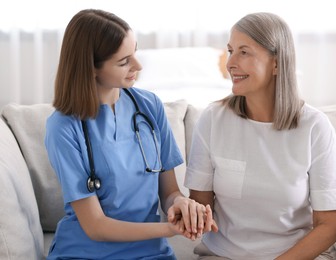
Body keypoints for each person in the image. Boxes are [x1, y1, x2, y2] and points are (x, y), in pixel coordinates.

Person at [45, 9, 216, 259]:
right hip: (85, 253)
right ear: (91, 67)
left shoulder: (149, 107)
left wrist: (180, 205)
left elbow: (169, 193)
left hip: (151, 253)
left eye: (134, 52)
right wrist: (168, 229)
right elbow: (95, 226)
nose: (138, 65)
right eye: (124, 61)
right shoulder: (63, 127)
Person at [184, 12, 336, 260]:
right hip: (223, 255)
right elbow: (200, 206)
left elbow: (328, 226)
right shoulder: (212, 119)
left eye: (244, 52)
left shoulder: (315, 128)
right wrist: (189, 214)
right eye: (230, 51)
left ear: (276, 63)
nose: (230, 63)